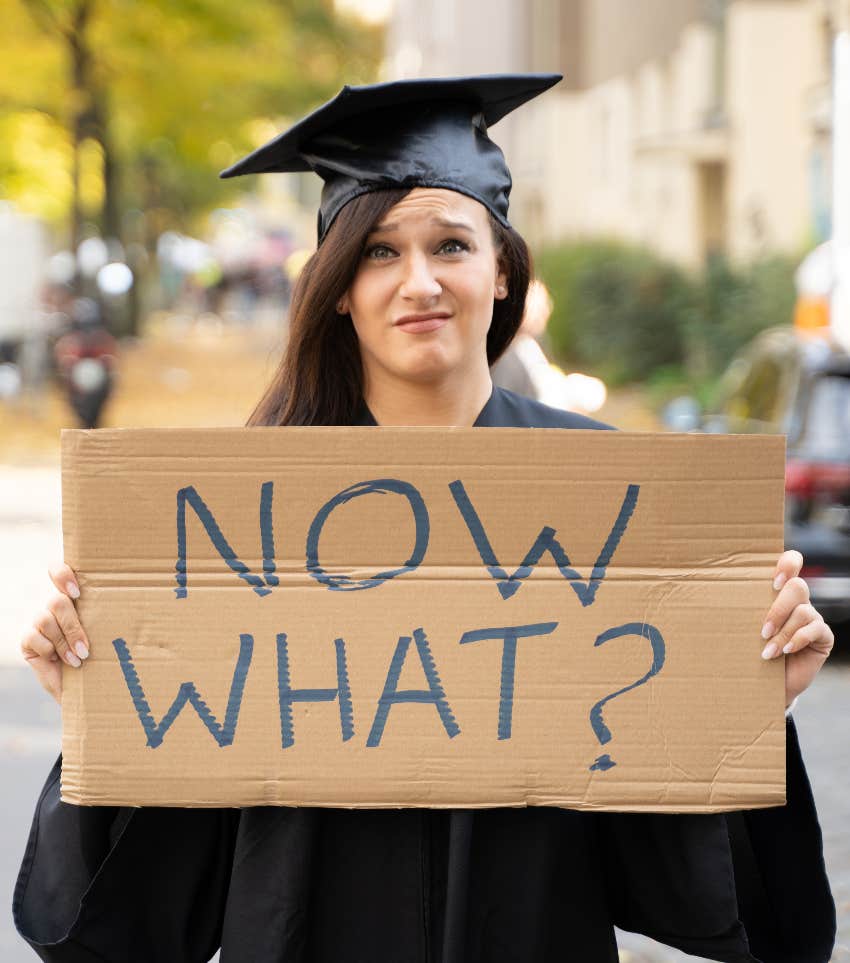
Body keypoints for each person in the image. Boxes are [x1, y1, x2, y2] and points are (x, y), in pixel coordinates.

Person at [14, 74, 835, 963]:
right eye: (377, 251)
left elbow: (710, 894)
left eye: (451, 244)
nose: (419, 283)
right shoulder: (243, 512)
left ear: (502, 268)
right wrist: (106, 707)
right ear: (335, 287)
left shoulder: (606, 498)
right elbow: (131, 923)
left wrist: (748, 702)